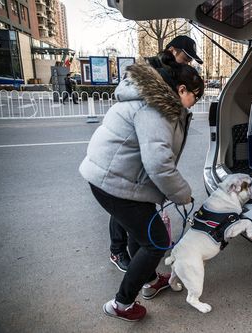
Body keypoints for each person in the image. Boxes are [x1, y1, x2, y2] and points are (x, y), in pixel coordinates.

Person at [79, 58, 204, 321]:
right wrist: (181, 194)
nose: (196, 102)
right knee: (157, 241)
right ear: (181, 90)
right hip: (115, 183)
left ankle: (150, 280)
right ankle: (121, 304)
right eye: (196, 96)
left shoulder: (153, 101)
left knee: (141, 236)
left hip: (120, 179)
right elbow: (159, 163)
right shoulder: (155, 109)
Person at [108, 35, 203, 273]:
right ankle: (119, 252)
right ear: (172, 50)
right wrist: (180, 193)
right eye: (186, 57)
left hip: (141, 159)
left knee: (136, 212)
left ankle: (143, 269)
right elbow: (158, 162)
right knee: (126, 206)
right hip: (128, 161)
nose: (188, 62)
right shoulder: (154, 76)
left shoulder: (171, 76)